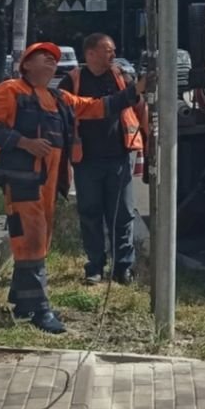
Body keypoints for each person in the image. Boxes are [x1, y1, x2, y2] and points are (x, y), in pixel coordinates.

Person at [0, 43, 150, 334]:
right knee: (31, 240)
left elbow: (96, 107)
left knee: (38, 241)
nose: (51, 61)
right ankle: (40, 310)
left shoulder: (59, 98)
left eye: (54, 59)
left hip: (49, 183)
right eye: (43, 57)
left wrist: (134, 91)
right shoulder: (10, 91)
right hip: (22, 180)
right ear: (26, 65)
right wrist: (24, 143)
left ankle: (21, 303)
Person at [57, 32, 148, 287]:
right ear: (90, 54)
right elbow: (79, 112)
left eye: (113, 50)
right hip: (86, 160)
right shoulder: (72, 81)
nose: (113, 54)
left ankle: (123, 268)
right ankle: (95, 267)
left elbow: (140, 110)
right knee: (91, 214)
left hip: (120, 157)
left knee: (123, 215)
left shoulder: (121, 77)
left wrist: (148, 143)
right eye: (108, 50)